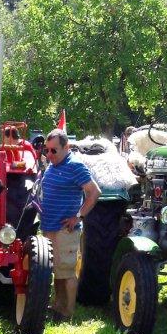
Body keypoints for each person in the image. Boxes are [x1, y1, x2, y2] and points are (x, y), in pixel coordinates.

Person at [41, 129, 101, 322]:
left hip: (65, 229)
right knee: (56, 270)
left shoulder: (75, 166)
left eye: (54, 151)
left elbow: (94, 193)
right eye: (47, 151)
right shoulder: (54, 165)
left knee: (66, 272)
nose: (49, 155)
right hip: (49, 226)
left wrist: (78, 216)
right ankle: (57, 306)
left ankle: (68, 313)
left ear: (66, 147)